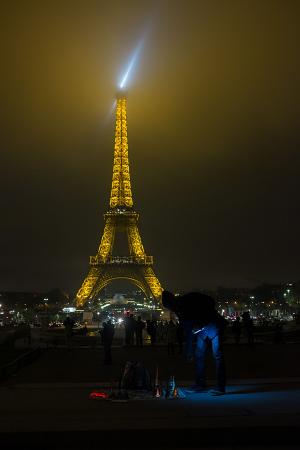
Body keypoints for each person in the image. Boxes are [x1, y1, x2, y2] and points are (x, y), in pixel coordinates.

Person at [162, 290, 226, 395]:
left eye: (169, 307)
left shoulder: (188, 300)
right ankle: (201, 384)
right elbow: (189, 331)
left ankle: (220, 386)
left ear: (172, 302)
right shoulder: (179, 308)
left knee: (217, 356)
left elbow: (190, 330)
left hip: (213, 326)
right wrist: (189, 350)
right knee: (200, 356)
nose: (170, 310)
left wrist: (201, 322)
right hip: (202, 330)